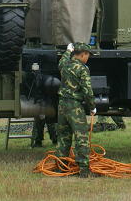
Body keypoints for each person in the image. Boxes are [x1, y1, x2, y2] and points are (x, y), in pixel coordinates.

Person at [55, 42, 96, 178]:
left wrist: (68, 51)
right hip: (74, 107)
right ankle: (84, 170)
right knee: (82, 137)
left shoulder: (65, 65)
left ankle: (61, 167)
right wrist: (92, 107)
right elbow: (87, 91)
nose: (88, 58)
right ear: (83, 54)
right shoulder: (83, 69)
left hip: (61, 106)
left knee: (63, 137)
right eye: (88, 55)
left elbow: (62, 61)